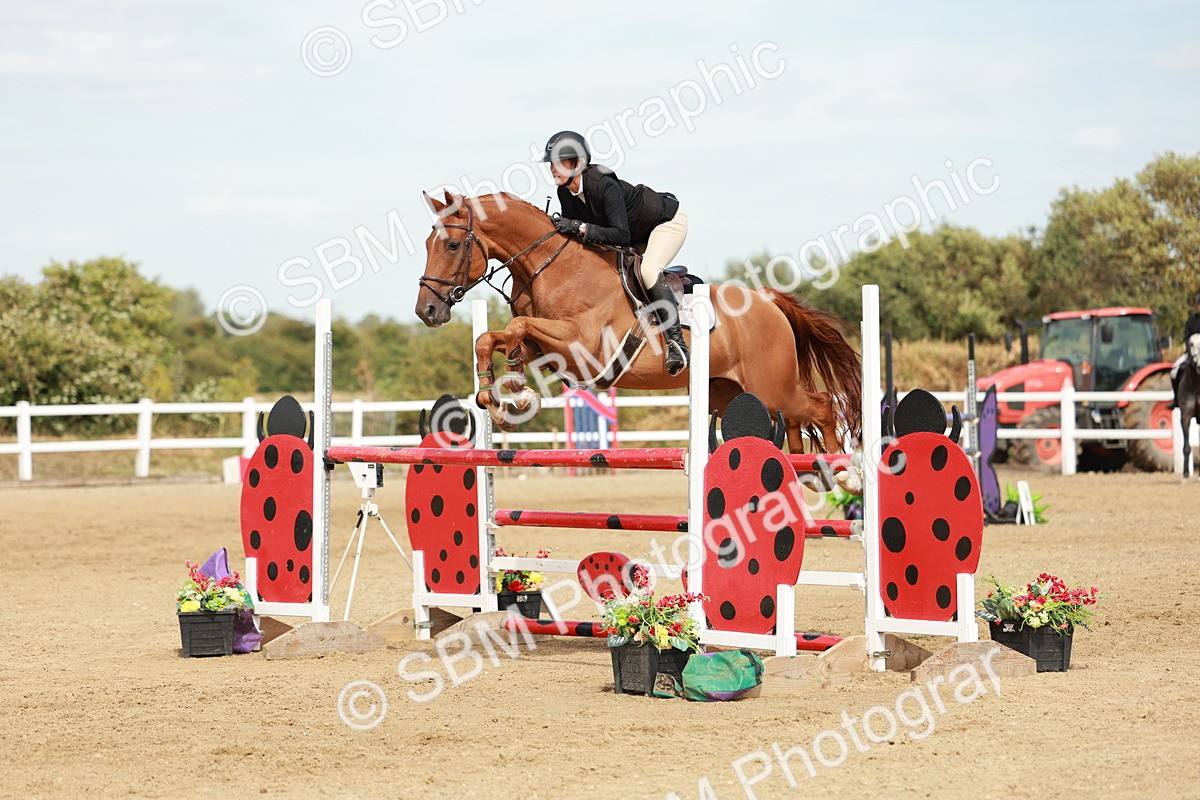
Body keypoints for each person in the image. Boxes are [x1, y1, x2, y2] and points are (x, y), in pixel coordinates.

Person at [541, 130, 690, 375]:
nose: (552, 169)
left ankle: (677, 343)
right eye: (550, 164)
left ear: (577, 163)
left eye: (558, 163)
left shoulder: (603, 184)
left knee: (649, 270)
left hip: (664, 223)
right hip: (634, 235)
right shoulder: (564, 192)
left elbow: (620, 235)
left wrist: (579, 227)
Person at [1169, 292, 1200, 406]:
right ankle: (1176, 399)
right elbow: (1186, 337)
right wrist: (1190, 351)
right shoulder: (1192, 320)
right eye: (1199, 304)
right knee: (1173, 371)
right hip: (1191, 354)